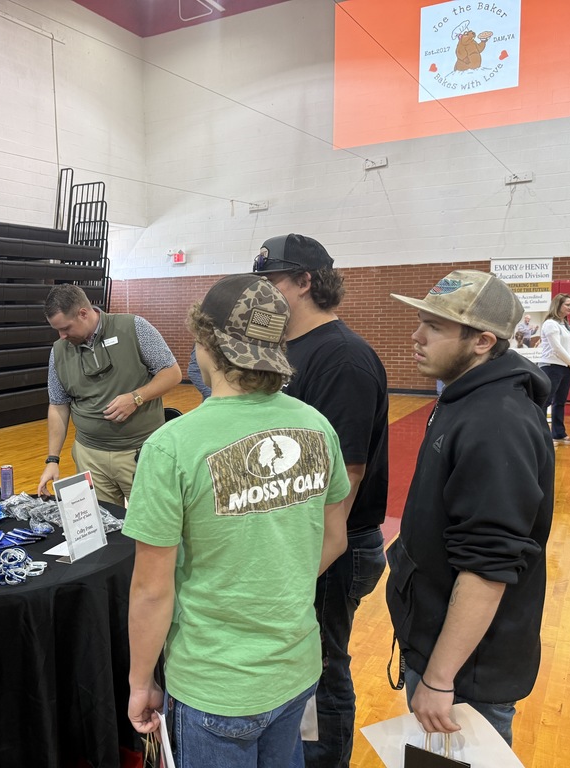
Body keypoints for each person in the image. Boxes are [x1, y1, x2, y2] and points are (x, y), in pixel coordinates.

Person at [124, 274, 350, 768]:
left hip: (215, 683)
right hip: (296, 667)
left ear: (205, 343)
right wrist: (276, 585)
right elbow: (334, 538)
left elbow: (151, 590)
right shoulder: (316, 426)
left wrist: (140, 683)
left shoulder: (171, 446)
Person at [387, 269, 554, 746]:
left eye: (434, 327)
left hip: (466, 674)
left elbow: (488, 565)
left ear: (482, 341)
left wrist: (440, 679)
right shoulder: (465, 396)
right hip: (440, 646)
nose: (417, 336)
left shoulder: (496, 422)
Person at [253, 233, 389, 768]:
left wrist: (314, 557)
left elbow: (346, 472)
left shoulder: (342, 357)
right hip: (298, 540)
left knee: (324, 669)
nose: (261, 293)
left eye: (271, 282)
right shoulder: (286, 349)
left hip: (334, 545)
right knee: (301, 667)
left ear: (305, 281)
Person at [37, 284, 181, 505]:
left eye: (66, 328)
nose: (62, 336)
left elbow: (172, 373)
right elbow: (58, 405)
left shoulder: (134, 327)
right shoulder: (58, 351)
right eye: (57, 330)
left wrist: (136, 398)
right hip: (89, 457)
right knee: (103, 523)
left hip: (141, 452)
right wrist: (52, 459)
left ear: (83, 313)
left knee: (152, 521)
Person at [538, 293, 570, 445]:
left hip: (564, 367)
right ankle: (541, 435)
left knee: (560, 401)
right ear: (558, 305)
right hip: (551, 366)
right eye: (567, 305)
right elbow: (556, 348)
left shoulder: (566, 325)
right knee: (545, 401)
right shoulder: (550, 324)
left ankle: (558, 433)